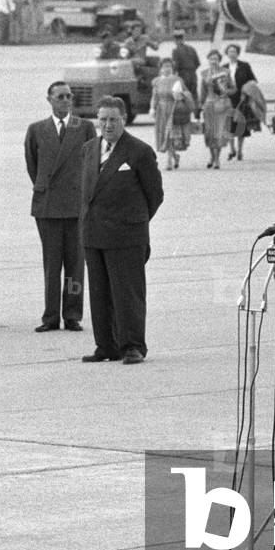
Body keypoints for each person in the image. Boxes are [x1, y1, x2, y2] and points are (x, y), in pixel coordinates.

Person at [80, 96, 163, 365]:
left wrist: (133, 222)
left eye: (113, 119)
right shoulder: (90, 148)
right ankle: (106, 345)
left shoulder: (139, 151)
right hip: (94, 235)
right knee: (99, 293)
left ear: (123, 120)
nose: (107, 125)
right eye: (102, 119)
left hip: (127, 236)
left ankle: (132, 346)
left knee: (127, 294)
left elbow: (155, 195)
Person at [24, 81, 96, 332]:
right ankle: (51, 316)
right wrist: (45, 188)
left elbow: (91, 163)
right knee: (51, 263)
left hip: (76, 206)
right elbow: (33, 166)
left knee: (76, 263)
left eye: (69, 96)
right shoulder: (36, 130)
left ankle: (73, 314)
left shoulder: (85, 127)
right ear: (49, 99)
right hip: (48, 207)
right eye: (60, 96)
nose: (66, 100)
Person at [198, 49, 235, 170]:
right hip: (209, 106)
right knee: (209, 133)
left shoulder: (226, 72)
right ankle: (211, 156)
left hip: (222, 105)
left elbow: (233, 88)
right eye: (211, 59)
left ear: (219, 60)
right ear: (208, 60)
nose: (213, 61)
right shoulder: (204, 74)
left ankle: (217, 159)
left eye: (216, 59)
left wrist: (226, 91)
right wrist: (199, 106)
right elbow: (202, 92)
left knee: (219, 133)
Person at [223, 43, 256, 161]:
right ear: (227, 54)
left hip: (242, 98)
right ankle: (232, 149)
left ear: (238, 53)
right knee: (229, 124)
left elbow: (252, 81)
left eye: (234, 51)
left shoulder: (244, 66)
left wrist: (246, 91)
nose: (232, 53)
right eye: (230, 51)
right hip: (228, 99)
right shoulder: (223, 67)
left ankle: (240, 150)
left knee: (241, 125)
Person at [150, 58, 183, 170]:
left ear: (172, 68)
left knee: (170, 134)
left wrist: (179, 95)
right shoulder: (156, 81)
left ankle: (169, 160)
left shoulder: (177, 80)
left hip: (173, 109)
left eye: (169, 66)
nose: (167, 69)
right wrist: (152, 108)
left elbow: (183, 95)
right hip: (161, 110)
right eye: (164, 67)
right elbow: (154, 96)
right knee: (164, 134)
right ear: (160, 68)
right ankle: (175, 155)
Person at [171, 30, 201, 100]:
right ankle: (196, 109)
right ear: (183, 39)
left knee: (184, 95)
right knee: (194, 95)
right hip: (193, 75)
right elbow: (198, 63)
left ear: (175, 40)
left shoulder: (175, 51)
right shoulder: (192, 49)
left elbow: (175, 66)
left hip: (183, 75)